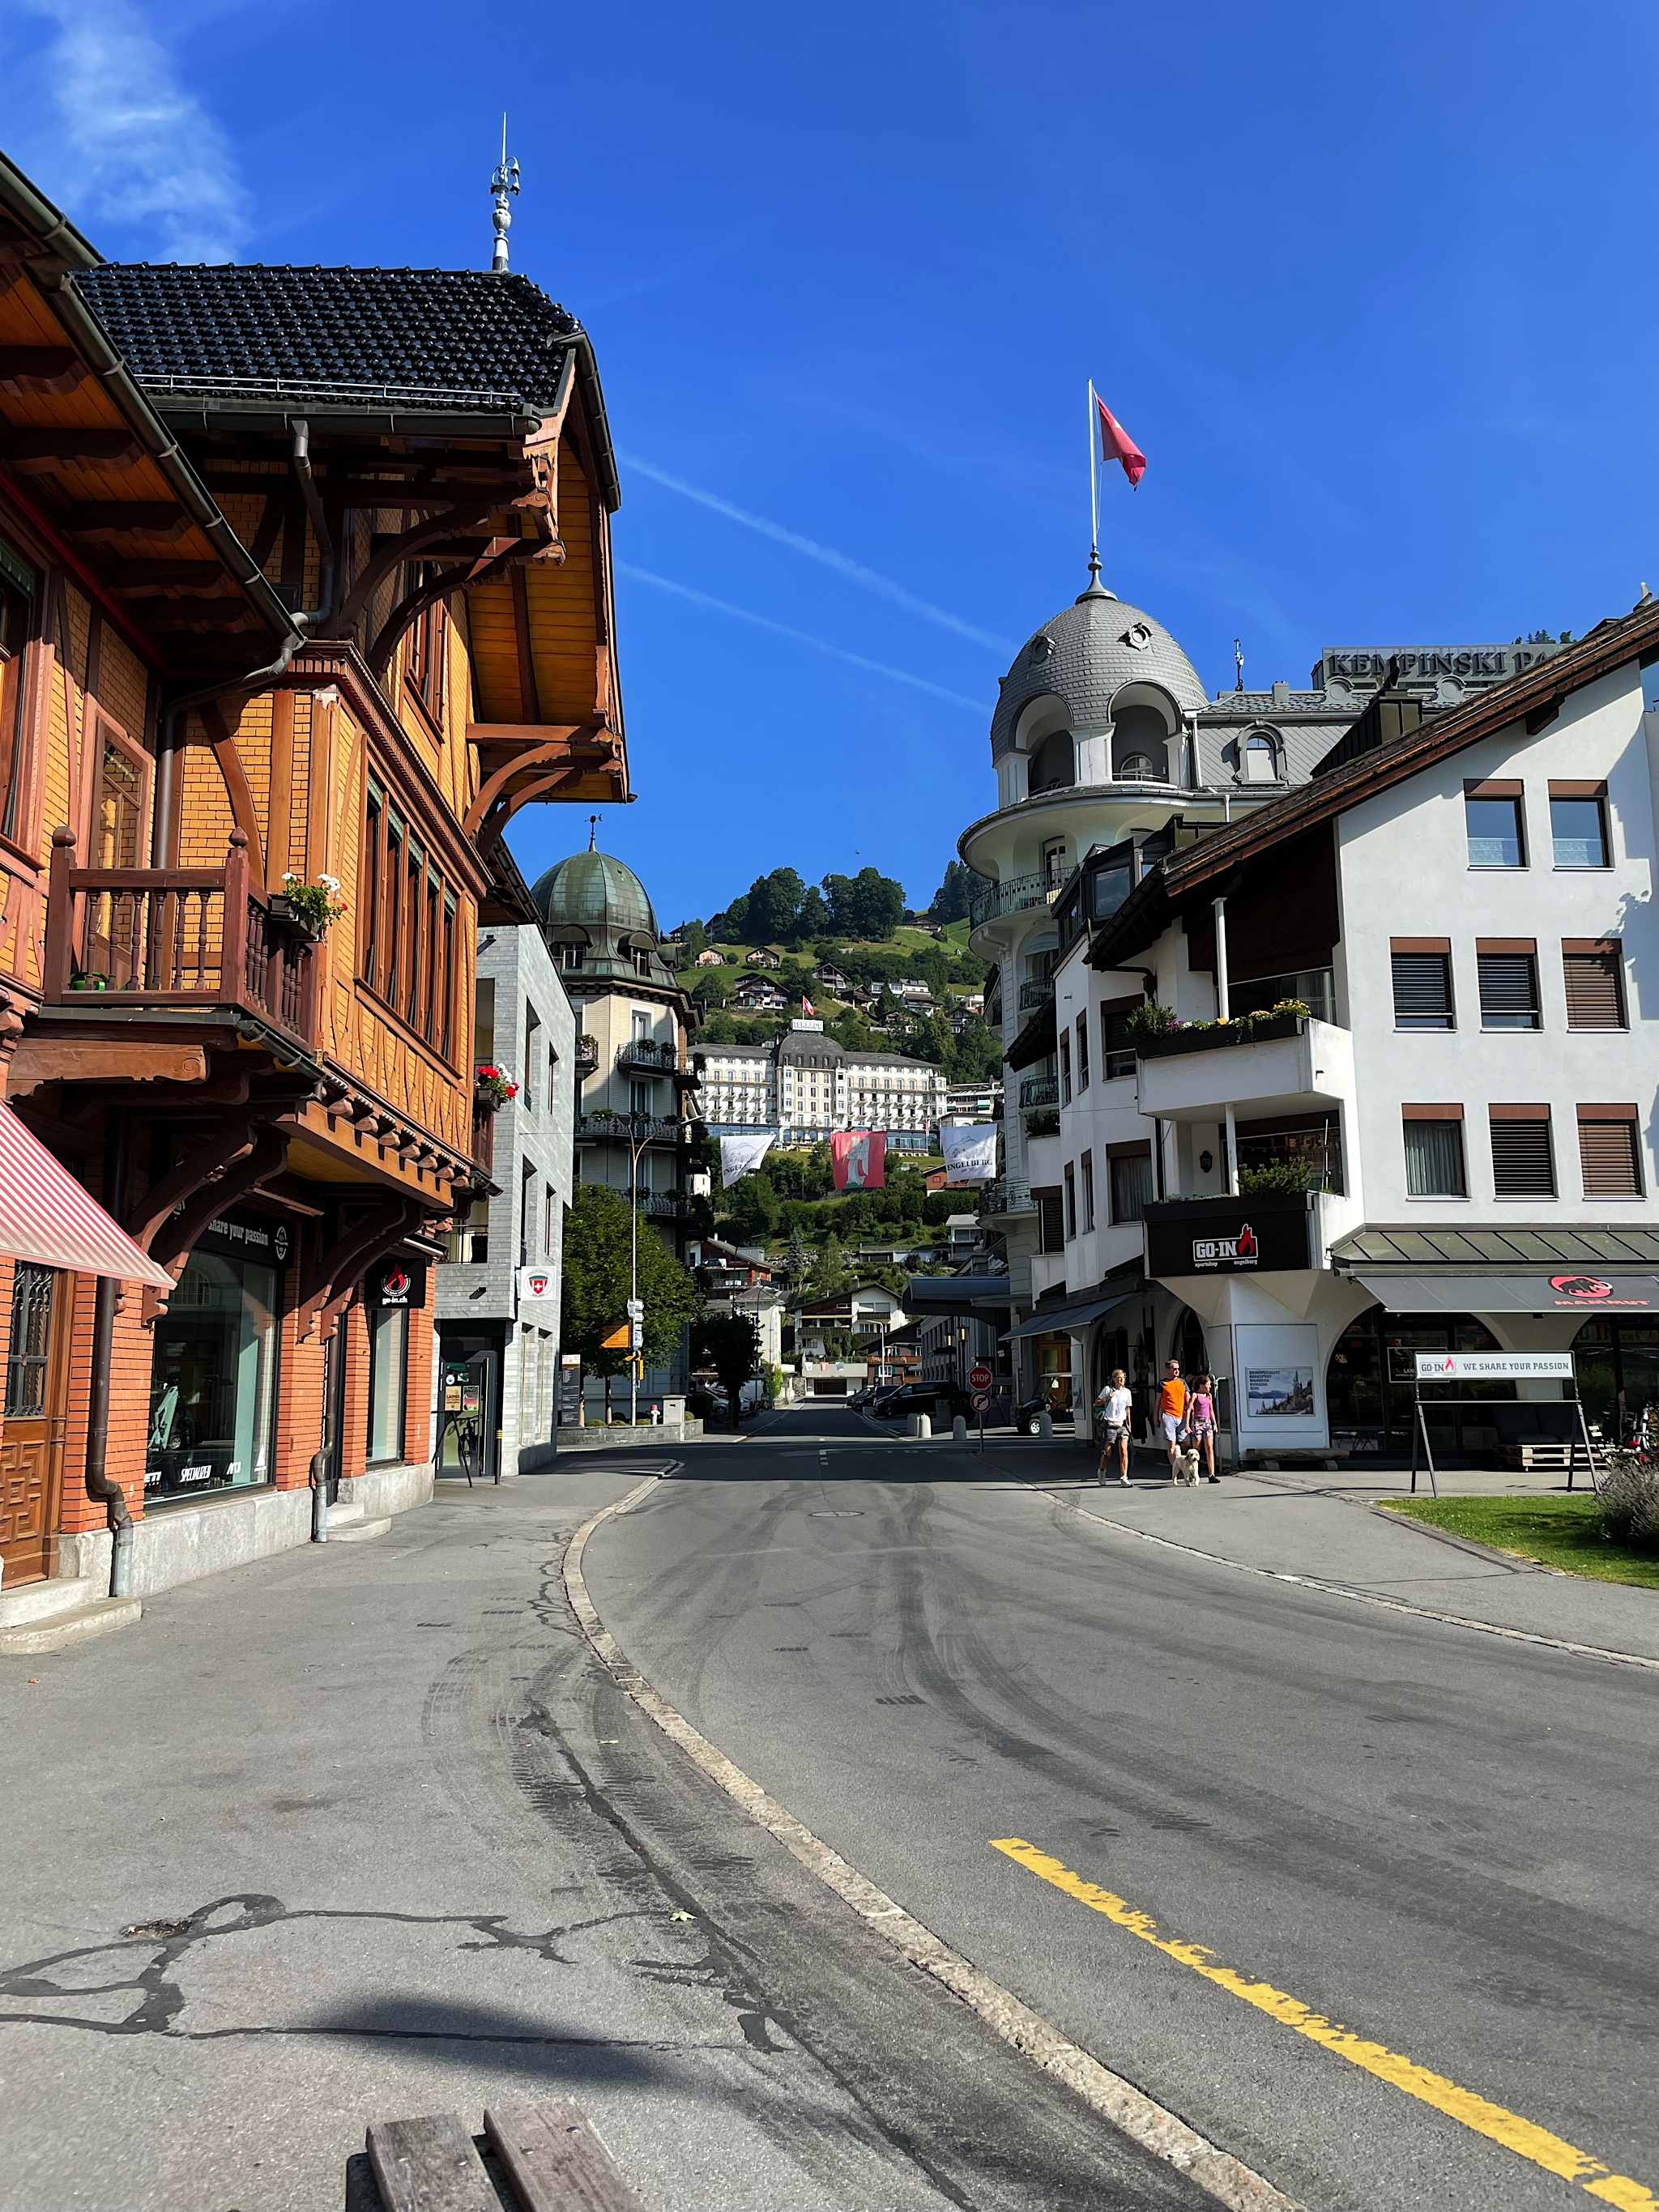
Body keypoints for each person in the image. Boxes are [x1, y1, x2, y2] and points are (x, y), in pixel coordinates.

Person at [1094, 1367, 1133, 1485]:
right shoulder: (1108, 1390)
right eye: (1119, 1378)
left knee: (1124, 1451)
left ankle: (1124, 1477)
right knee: (1107, 1453)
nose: (1121, 1380)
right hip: (1109, 1423)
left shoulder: (1127, 1392)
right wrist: (1107, 1398)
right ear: (1114, 1379)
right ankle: (1102, 1471)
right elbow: (1096, 1403)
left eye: (1123, 1378)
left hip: (1122, 1424)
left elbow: (1128, 1409)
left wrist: (1129, 1425)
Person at [1158, 1359, 1188, 1479]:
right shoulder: (1162, 1383)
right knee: (1172, 1443)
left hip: (1182, 1415)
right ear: (1168, 1370)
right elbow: (1158, 1401)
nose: (1177, 1371)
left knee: (1185, 1442)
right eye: (1174, 1369)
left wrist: (1190, 1412)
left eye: (1178, 1369)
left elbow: (1188, 1398)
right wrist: (1156, 1417)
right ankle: (1175, 1468)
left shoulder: (1182, 1382)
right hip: (1168, 1415)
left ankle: (1184, 1464)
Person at [1189, 1373, 1218, 1482]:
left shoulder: (1209, 1396)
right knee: (1196, 1450)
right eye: (1208, 1384)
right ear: (1201, 1385)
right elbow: (1190, 1408)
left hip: (1207, 1423)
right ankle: (1194, 1473)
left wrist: (1214, 1423)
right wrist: (1188, 1423)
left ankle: (1212, 1474)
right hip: (1197, 1422)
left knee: (1210, 1448)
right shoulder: (1195, 1395)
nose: (1210, 1387)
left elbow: (1211, 1411)